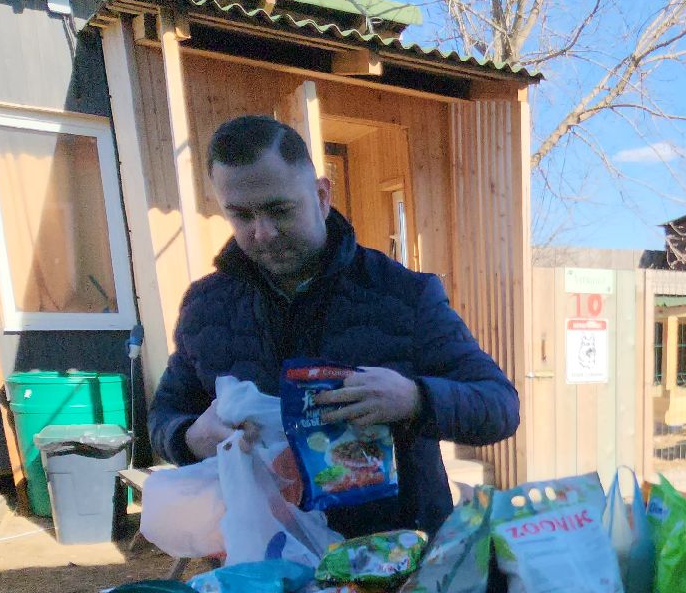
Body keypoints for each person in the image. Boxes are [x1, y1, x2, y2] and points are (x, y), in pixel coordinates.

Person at [148, 115, 518, 538]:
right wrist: (190, 437)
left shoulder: (404, 295)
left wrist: (415, 399)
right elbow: (165, 415)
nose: (262, 232)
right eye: (241, 215)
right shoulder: (206, 306)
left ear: (322, 196)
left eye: (279, 210)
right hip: (266, 566)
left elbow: (500, 407)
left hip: (396, 565)